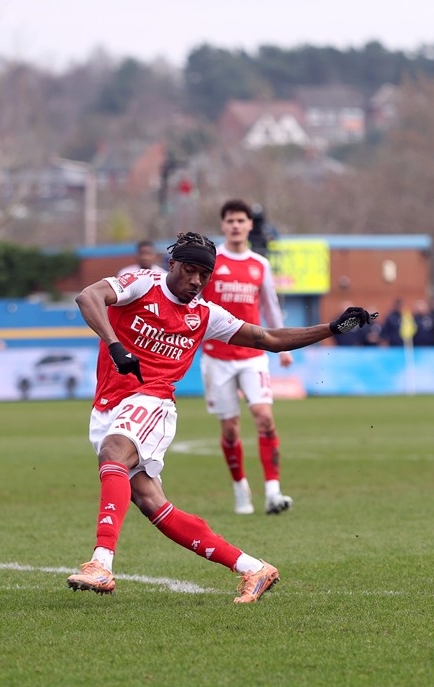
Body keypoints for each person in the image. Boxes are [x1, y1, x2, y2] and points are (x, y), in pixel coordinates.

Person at [66, 231, 376, 603]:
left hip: (153, 403)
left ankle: (101, 564)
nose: (196, 281)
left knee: (114, 452)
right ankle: (253, 568)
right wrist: (115, 345)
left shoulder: (206, 314)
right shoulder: (140, 285)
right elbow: (89, 296)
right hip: (109, 406)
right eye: (190, 270)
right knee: (151, 503)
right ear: (173, 264)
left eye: (204, 275)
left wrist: (331, 328)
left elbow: (269, 339)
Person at [200, 199, 294, 516]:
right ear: (223, 225)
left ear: (250, 225)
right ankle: (241, 488)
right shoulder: (212, 261)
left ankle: (273, 492)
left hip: (253, 355)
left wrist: (283, 344)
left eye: (242, 220)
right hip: (217, 357)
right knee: (230, 429)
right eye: (230, 220)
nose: (236, 225)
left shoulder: (260, 265)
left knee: (265, 417)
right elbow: (195, 302)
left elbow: (270, 306)